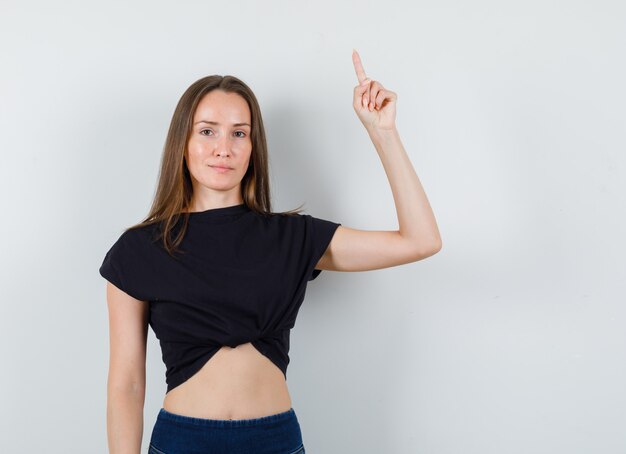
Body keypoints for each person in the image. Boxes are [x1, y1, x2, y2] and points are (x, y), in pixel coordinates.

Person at [99, 49, 442, 454]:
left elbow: (421, 241)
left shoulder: (292, 237)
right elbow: (127, 383)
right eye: (207, 131)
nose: (223, 147)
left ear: (253, 146)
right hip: (182, 442)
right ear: (183, 142)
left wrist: (382, 133)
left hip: (273, 442)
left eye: (239, 132)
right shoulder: (138, 250)